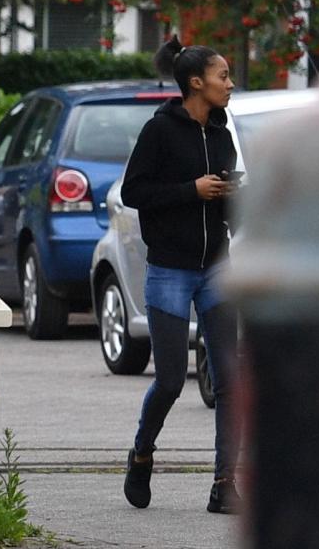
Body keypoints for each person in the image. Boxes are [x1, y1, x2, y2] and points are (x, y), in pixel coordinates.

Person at [120, 35, 241, 515]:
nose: (229, 85)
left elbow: (226, 206)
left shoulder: (223, 135)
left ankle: (224, 483)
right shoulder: (160, 131)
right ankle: (142, 452)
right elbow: (134, 191)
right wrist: (191, 190)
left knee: (229, 379)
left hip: (217, 268)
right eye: (223, 76)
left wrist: (237, 198)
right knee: (170, 380)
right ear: (197, 83)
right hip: (169, 269)